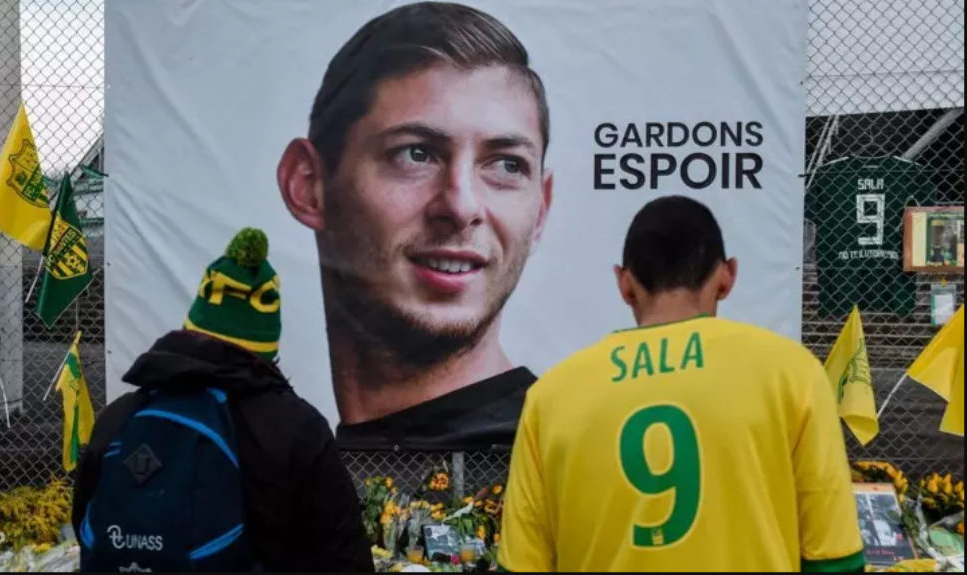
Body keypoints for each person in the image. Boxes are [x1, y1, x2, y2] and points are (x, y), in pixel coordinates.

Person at [498, 196, 865, 572]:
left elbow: (523, 566)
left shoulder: (551, 396)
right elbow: (835, 561)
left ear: (625, 284)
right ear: (727, 277)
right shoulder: (793, 374)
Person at [278, 2, 553, 450]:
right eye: (416, 154)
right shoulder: (248, 456)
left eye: (507, 164)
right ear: (308, 185)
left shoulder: (567, 459)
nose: (461, 206)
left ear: (541, 209)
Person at [71, 228, 372, 573]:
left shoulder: (122, 417)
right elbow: (344, 556)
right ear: (266, 346)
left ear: (192, 328)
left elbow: (87, 525)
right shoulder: (297, 429)